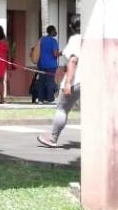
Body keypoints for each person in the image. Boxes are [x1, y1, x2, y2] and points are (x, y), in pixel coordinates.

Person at [37, 16, 82, 148]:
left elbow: (73, 60)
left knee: (62, 109)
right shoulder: (90, 38)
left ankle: (53, 138)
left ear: (71, 27)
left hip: (75, 79)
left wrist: (68, 82)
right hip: (89, 79)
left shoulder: (74, 39)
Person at [35, 26, 60, 104]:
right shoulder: (53, 41)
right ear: (52, 31)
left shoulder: (42, 40)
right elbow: (55, 54)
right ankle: (50, 99)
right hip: (51, 65)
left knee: (41, 82)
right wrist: (62, 53)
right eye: (55, 30)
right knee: (50, 82)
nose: (56, 32)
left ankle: (40, 99)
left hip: (41, 64)